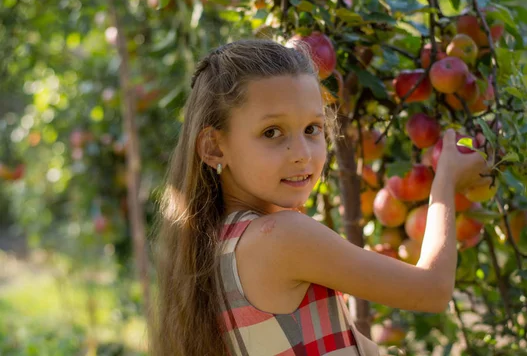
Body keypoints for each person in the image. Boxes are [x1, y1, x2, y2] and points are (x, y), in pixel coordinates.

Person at [149, 39, 490, 356]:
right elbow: (433, 289)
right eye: (272, 132)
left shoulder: (219, 243)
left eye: (312, 129)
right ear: (213, 147)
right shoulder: (282, 236)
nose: (302, 154)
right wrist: (446, 180)